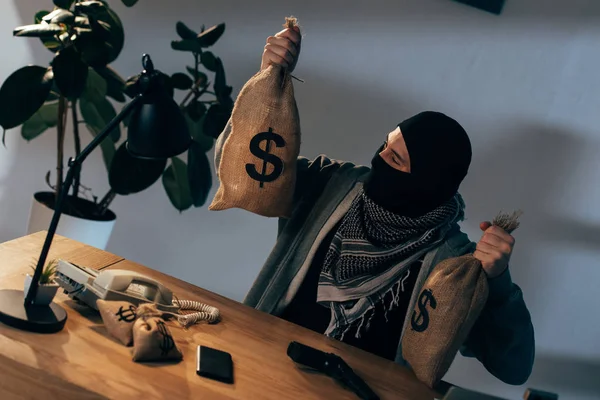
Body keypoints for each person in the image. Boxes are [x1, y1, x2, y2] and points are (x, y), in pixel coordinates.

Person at [214, 25, 535, 386]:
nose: (379, 159)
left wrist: (498, 282)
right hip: (263, 366)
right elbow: (244, 170)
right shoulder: (329, 185)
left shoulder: (452, 263)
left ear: (428, 183)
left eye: (396, 160)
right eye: (384, 144)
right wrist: (268, 77)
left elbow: (514, 367)